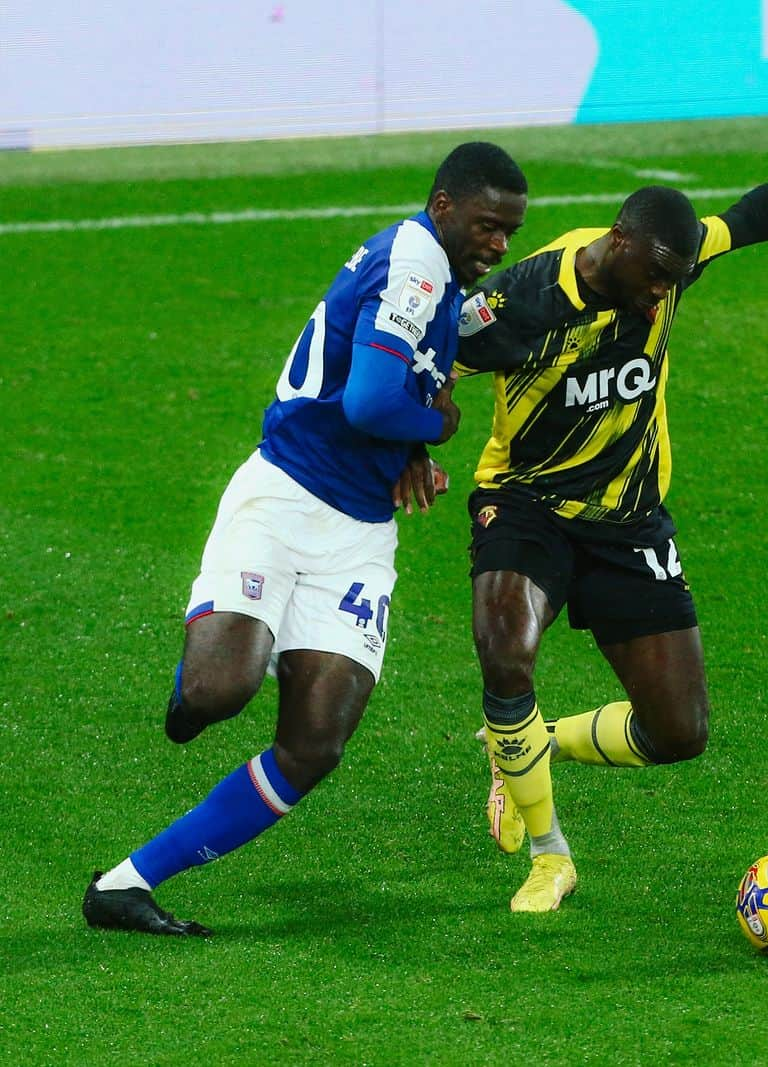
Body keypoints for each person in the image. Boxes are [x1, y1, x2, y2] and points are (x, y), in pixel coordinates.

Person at [454, 113, 768, 911]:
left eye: (677, 276)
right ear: (620, 245)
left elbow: (757, 215)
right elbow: (428, 364)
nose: (667, 290)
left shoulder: (670, 259)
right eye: (657, 276)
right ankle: (550, 856)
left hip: (630, 517)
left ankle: (524, 746)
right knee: (505, 654)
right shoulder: (523, 298)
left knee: (679, 734)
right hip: (525, 500)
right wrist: (416, 445)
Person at [82, 142, 528, 936]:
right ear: (444, 205)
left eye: (510, 232)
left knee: (316, 741)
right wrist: (440, 425)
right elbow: (366, 404)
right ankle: (192, 692)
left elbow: (392, 379)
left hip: (360, 536)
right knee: (223, 690)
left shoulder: (436, 272)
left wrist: (409, 449)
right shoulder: (416, 264)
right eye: (489, 225)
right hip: (285, 497)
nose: (498, 244)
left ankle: (124, 883)